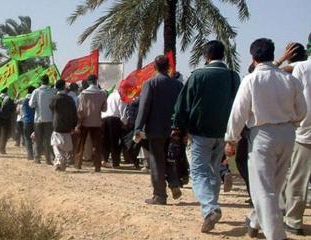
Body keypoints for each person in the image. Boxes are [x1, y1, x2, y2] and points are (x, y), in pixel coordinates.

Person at [225, 38, 306, 240]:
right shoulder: (290, 80)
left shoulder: (251, 80)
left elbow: (238, 113)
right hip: (288, 134)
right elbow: (302, 111)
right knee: (275, 186)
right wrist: (290, 123)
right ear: (272, 54)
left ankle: (276, 236)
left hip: (262, 136)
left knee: (264, 190)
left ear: (253, 58)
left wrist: (231, 139)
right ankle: (254, 222)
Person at [172, 40, 240, 232]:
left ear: (206, 56)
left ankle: (210, 208)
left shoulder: (199, 75)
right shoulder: (234, 77)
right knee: (213, 170)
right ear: (223, 55)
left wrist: (178, 128)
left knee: (198, 171)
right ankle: (212, 206)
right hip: (223, 132)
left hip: (200, 132)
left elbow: (183, 104)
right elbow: (239, 105)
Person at [135, 55, 183, 205]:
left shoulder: (150, 83)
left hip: (155, 129)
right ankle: (174, 183)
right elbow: (182, 108)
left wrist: (138, 127)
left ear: (154, 67)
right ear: (169, 67)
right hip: (173, 129)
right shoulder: (178, 85)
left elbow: (144, 107)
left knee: (157, 160)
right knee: (168, 157)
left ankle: (159, 195)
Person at [283, 34, 311, 236]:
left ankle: (293, 221)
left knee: (298, 179)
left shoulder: (302, 68)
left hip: (306, 131)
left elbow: (292, 95)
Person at [75, 74, 107, 172]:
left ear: (88, 82)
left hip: (85, 122)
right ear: (96, 81)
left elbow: (80, 110)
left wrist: (78, 123)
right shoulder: (102, 93)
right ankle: (97, 166)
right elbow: (104, 109)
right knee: (97, 145)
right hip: (97, 122)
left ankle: (78, 164)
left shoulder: (83, 93)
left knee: (81, 144)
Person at [50, 80, 77, 171]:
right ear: (64, 87)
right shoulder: (70, 99)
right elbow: (74, 113)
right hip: (68, 125)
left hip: (57, 124)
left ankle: (59, 160)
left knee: (55, 144)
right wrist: (73, 125)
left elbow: (51, 108)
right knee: (65, 146)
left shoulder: (54, 98)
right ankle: (59, 163)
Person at [29, 75, 56, 164]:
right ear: (48, 81)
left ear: (40, 82)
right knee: (48, 139)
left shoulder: (36, 91)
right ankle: (48, 159)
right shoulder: (53, 91)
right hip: (49, 119)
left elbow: (31, 105)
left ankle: (37, 158)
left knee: (38, 139)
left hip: (38, 119)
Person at [101, 90, 127, 168]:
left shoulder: (111, 95)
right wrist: (124, 123)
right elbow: (122, 110)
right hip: (114, 120)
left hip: (104, 118)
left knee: (105, 141)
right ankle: (115, 162)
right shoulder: (122, 96)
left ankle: (104, 160)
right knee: (114, 142)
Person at [0, 88, 15, 154]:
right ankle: (2, 149)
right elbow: (13, 109)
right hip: (6, 119)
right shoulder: (9, 99)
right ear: (7, 91)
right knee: (4, 134)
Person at [22, 86, 36, 160]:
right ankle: (36, 154)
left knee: (27, 138)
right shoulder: (35, 100)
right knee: (35, 138)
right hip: (35, 121)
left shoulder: (24, 100)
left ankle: (29, 155)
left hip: (26, 121)